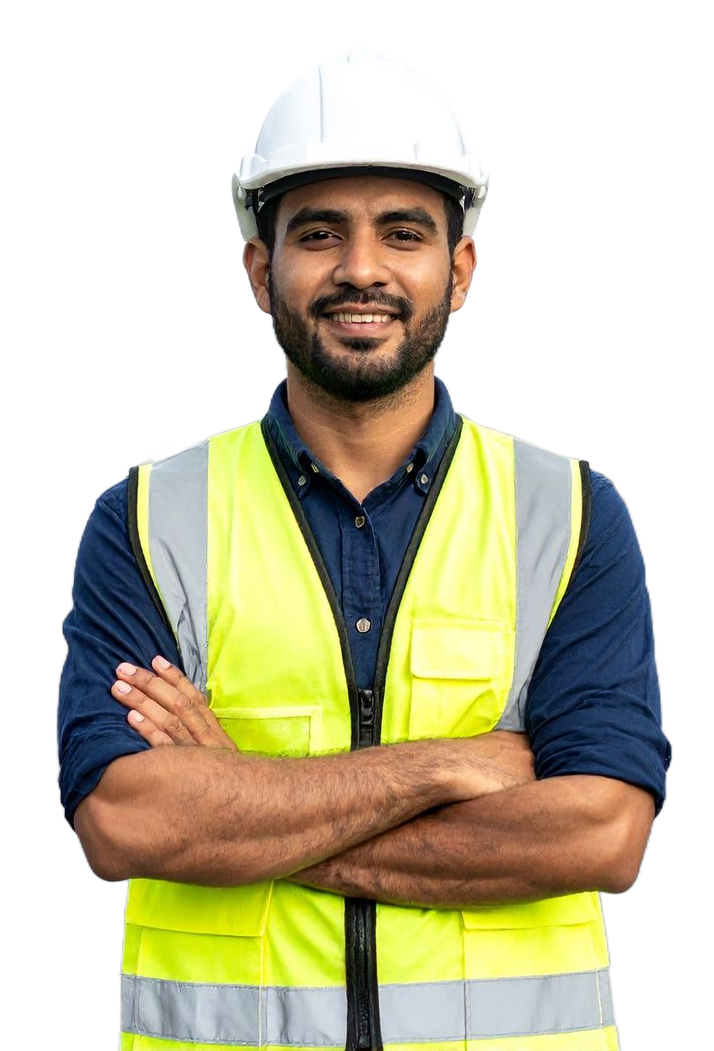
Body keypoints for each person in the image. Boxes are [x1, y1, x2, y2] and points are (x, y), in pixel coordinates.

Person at [57, 38, 671, 1051]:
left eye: (403, 233)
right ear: (261, 268)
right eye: (319, 234)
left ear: (461, 268)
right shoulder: (147, 514)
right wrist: (446, 767)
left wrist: (240, 807)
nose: (361, 269)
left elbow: (602, 832)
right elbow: (128, 821)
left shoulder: (568, 512)